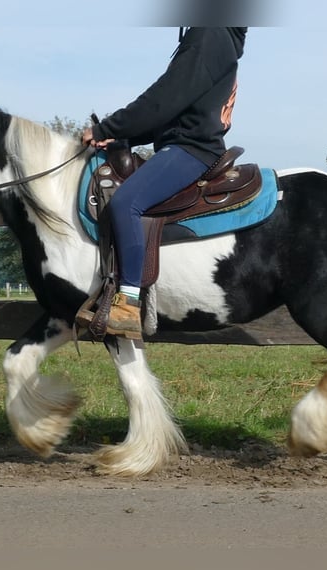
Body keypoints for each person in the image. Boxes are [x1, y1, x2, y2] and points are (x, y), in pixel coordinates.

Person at [81, 27, 247, 339]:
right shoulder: (217, 36)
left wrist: (106, 127)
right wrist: (124, 135)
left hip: (191, 150)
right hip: (186, 143)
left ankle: (128, 304)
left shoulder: (208, 35)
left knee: (126, 202)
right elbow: (174, 113)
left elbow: (165, 98)